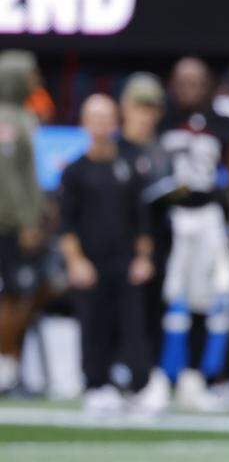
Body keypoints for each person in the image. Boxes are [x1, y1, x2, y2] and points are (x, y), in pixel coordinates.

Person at [57, 95, 154, 413]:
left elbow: (142, 219)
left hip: (125, 260)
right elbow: (65, 224)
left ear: (115, 122)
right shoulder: (74, 172)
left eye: (105, 117)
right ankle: (96, 384)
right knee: (93, 323)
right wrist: (75, 260)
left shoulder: (129, 166)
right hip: (90, 262)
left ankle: (138, 385)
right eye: (93, 117)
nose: (100, 124)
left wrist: (143, 257)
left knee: (132, 325)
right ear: (84, 123)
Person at [156, 57, 229, 412]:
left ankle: (192, 377)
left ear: (207, 85)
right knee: (162, 295)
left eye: (196, 81)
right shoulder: (162, 119)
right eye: (182, 81)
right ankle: (155, 377)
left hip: (206, 215)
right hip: (168, 217)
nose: (189, 88)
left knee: (202, 299)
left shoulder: (220, 122)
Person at [117, 72, 174, 414]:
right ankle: (127, 376)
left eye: (153, 108)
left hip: (160, 241)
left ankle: (145, 374)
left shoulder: (160, 151)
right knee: (126, 312)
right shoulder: (115, 150)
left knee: (153, 311)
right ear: (126, 107)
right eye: (141, 107)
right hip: (122, 246)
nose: (147, 115)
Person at [0, 51, 43, 393]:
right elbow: (12, 179)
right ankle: (5, 364)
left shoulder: (23, 117)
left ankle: (11, 364)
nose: (36, 82)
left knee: (24, 294)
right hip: (9, 225)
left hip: (14, 222)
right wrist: (27, 219)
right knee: (14, 295)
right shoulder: (8, 121)